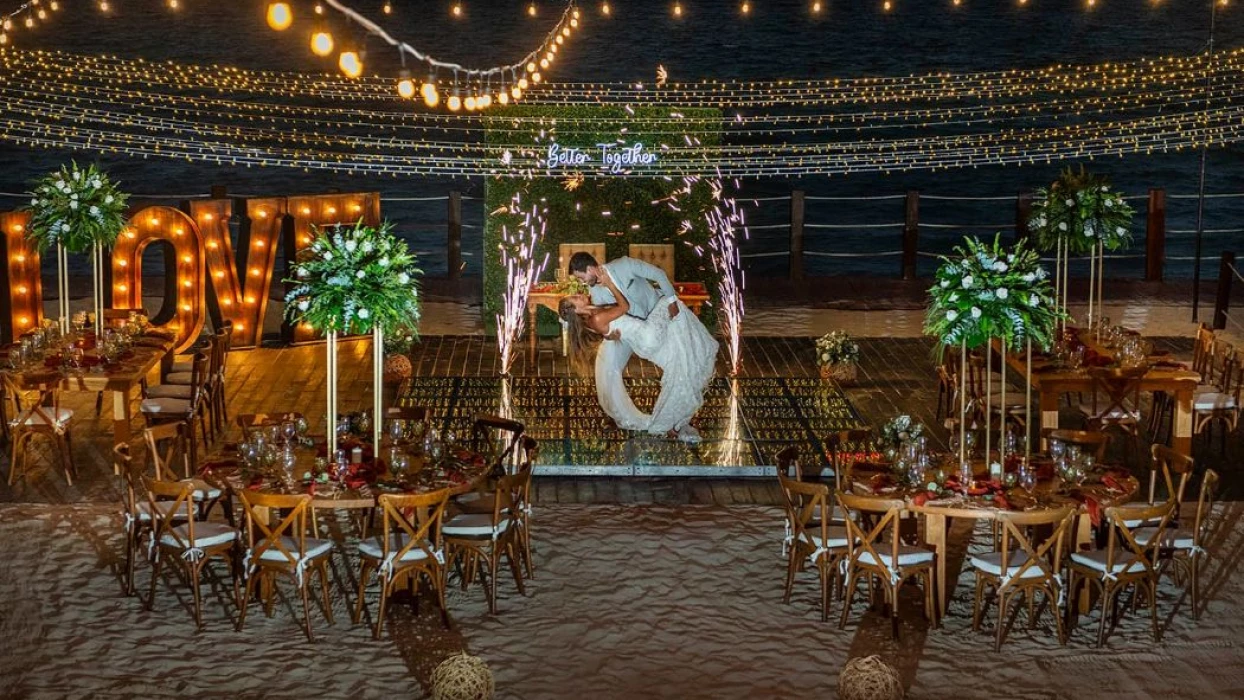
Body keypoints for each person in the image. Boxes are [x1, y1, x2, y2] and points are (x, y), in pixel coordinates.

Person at [559, 266, 718, 442]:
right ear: (575, 310)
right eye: (575, 299)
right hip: (647, 335)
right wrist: (610, 284)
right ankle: (693, 342)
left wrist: (608, 335)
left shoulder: (591, 313)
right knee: (668, 300)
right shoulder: (595, 317)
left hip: (644, 340)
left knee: (680, 368)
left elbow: (609, 327)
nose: (579, 294)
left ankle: (674, 423)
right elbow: (624, 307)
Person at [567, 252, 680, 432]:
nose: (581, 283)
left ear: (590, 269)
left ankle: (675, 415)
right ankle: (616, 414)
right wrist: (608, 336)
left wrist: (672, 300)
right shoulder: (594, 292)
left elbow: (658, 274)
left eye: (581, 278)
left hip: (655, 318)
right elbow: (604, 318)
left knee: (674, 365)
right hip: (629, 332)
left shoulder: (624, 265)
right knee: (607, 363)